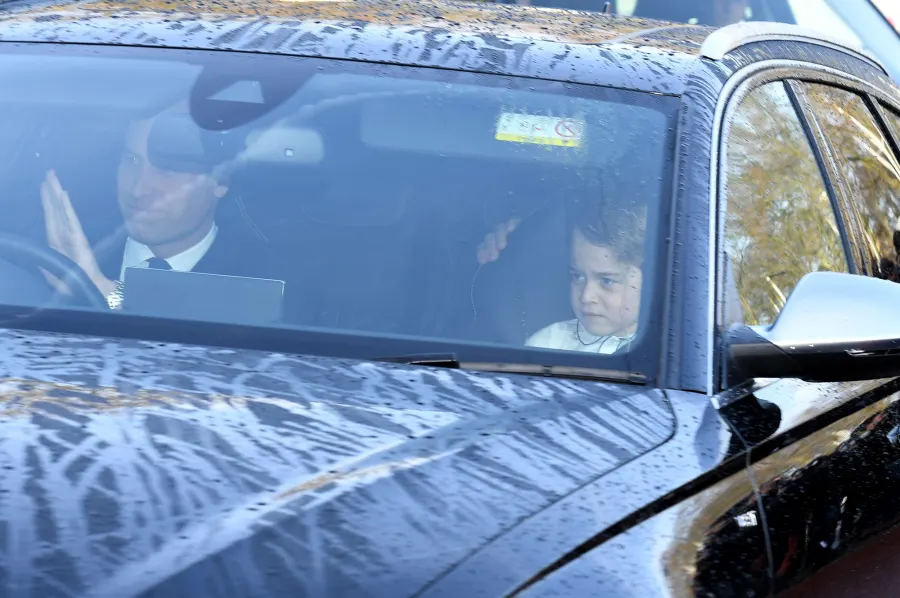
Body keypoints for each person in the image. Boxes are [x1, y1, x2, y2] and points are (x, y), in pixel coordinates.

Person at [40, 102, 273, 309]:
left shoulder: (262, 278)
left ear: (220, 180)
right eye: (132, 160)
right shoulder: (56, 255)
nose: (139, 188)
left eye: (166, 169)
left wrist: (100, 290)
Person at [477, 199, 645, 353]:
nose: (586, 296)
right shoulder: (550, 345)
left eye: (607, 281)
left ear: (650, 281)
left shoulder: (660, 355)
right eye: (577, 276)